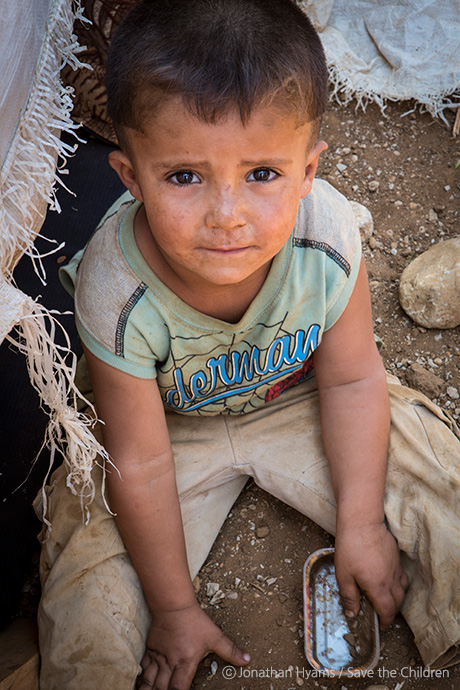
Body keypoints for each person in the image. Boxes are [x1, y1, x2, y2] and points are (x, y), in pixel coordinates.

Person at [36, 1, 460, 688]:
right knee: (89, 552)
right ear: (130, 176)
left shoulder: (326, 238)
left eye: (263, 173)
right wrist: (173, 607)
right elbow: (139, 461)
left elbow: (353, 380)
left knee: (429, 471)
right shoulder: (115, 289)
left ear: (308, 170)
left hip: (302, 401)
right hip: (168, 431)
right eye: (184, 176)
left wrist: (361, 523)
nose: (227, 216)